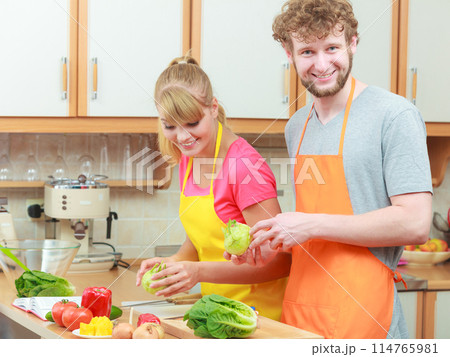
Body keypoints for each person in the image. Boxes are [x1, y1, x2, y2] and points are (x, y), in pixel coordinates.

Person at [237, 0, 433, 338]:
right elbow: (316, 230)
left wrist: (307, 225)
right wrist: (269, 244)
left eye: (332, 47)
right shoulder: (296, 127)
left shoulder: (394, 116)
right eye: (308, 52)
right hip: (302, 317)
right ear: (290, 54)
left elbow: (415, 222)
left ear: (353, 43)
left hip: (366, 316)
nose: (322, 63)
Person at [135, 56, 290, 321]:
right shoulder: (189, 159)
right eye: (170, 126)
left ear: (213, 108)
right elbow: (198, 244)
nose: (182, 137)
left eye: (192, 123)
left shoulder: (244, 168)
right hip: (217, 315)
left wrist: (199, 272)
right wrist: (172, 264)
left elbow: (280, 261)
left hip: (258, 320)